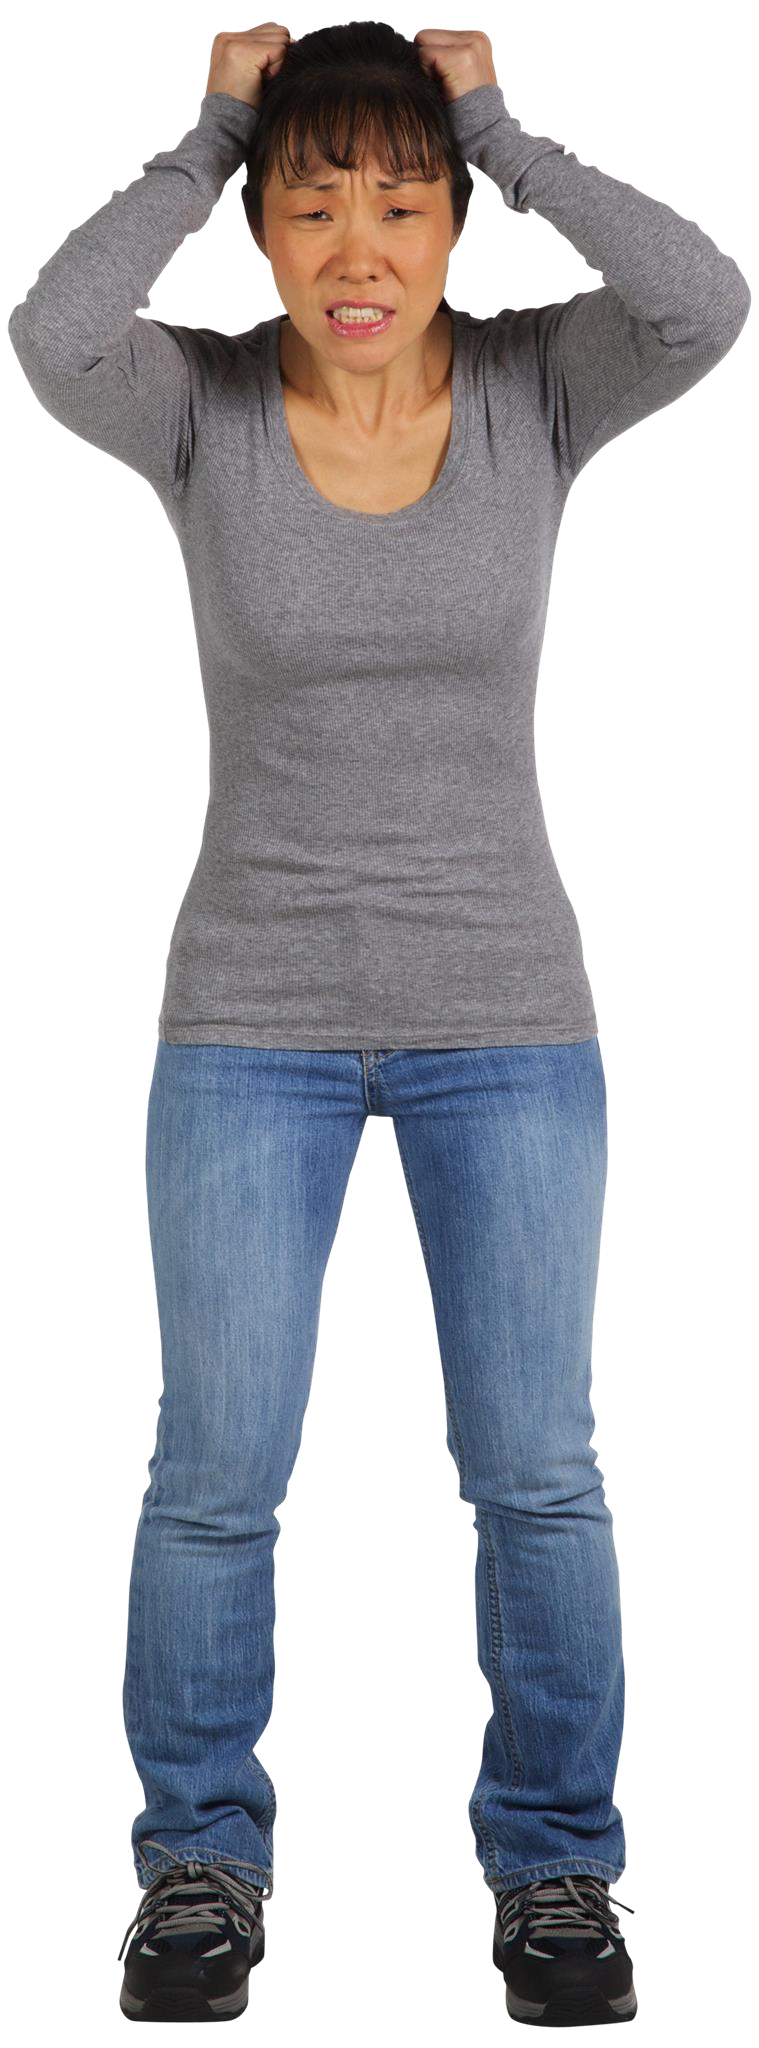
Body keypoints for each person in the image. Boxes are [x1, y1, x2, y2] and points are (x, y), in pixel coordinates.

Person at [8, 17, 749, 2027]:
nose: (361, 245)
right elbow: (50, 336)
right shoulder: (197, 403)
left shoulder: (533, 385)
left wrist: (498, 124)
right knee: (214, 1474)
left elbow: (703, 300)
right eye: (315, 199)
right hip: (244, 1016)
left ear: (451, 223)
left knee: (535, 1470)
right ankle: (197, 1865)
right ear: (258, 225)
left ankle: (559, 1870)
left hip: (505, 1011)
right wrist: (204, 129)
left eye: (403, 202)